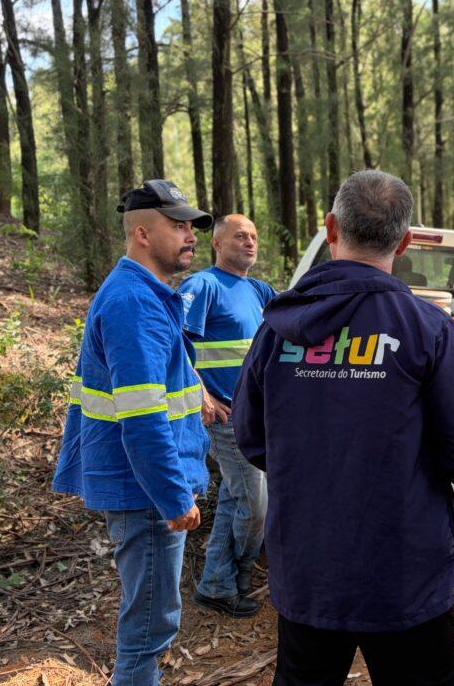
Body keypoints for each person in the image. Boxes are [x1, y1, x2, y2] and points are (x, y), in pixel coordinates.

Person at [232, 169, 454, 686]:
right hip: (406, 574)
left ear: (331, 229)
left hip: (309, 570)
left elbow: (252, 438)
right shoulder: (427, 329)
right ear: (404, 243)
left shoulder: (276, 330)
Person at [52, 180, 213, 685]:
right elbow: (143, 419)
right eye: (178, 225)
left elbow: (154, 381)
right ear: (142, 233)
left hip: (141, 485)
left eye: (192, 226)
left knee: (150, 620)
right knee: (149, 628)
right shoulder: (134, 304)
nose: (190, 235)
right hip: (144, 491)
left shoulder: (147, 294)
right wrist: (173, 497)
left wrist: (197, 390)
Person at [178, 214, 276, 618]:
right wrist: (200, 394)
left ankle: (220, 584)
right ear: (217, 244)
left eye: (253, 235)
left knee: (241, 498)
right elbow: (172, 339)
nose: (249, 242)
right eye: (239, 236)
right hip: (225, 415)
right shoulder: (203, 285)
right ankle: (229, 577)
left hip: (259, 416)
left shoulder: (258, 289)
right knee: (254, 503)